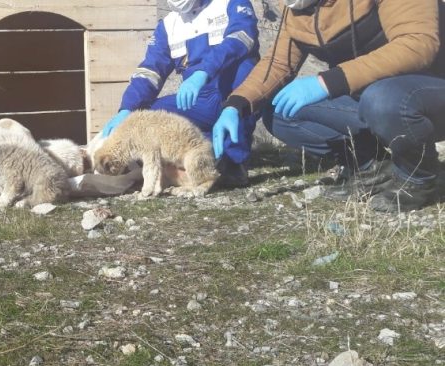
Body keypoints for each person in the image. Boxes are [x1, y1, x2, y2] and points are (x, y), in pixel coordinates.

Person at [213, 0, 445, 212]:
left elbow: (417, 44)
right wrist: (236, 104)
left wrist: (328, 82)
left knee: (382, 98)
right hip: (373, 101)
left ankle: (420, 178)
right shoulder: (299, 8)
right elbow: (279, 63)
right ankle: (372, 167)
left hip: (429, 91)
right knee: (280, 111)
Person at [101, 0, 260, 187]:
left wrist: (204, 71)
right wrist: (127, 109)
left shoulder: (230, 3)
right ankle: (191, 159)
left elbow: (241, 37)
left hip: (235, 93)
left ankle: (234, 163)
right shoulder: (168, 26)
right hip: (199, 101)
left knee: (245, 86)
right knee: (146, 115)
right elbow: (151, 71)